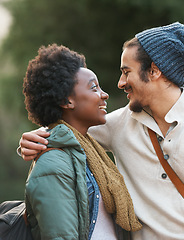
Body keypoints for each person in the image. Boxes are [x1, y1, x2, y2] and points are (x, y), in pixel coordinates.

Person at [19, 22, 184, 239]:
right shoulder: (118, 125)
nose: (120, 82)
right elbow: (69, 131)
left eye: (126, 71)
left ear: (154, 71)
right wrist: (33, 138)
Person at [22, 44, 141, 240]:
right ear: (67, 101)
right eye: (94, 87)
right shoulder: (54, 163)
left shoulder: (88, 151)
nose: (104, 94)